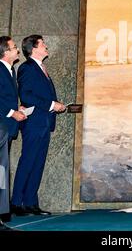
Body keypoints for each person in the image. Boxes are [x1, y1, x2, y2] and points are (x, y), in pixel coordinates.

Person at [11, 35, 66, 216]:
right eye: (43, 43)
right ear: (33, 48)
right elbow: (26, 96)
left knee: (38, 163)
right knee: (28, 161)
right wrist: (52, 105)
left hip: (43, 123)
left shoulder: (42, 68)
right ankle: (16, 203)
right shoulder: (27, 68)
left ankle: (31, 203)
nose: (46, 46)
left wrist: (55, 105)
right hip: (34, 123)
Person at [0, 36, 26, 230]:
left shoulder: (10, 70)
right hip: (2, 126)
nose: (17, 49)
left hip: (6, 128)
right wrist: (12, 113)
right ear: (5, 52)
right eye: (14, 47)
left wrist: (18, 109)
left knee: (1, 173)